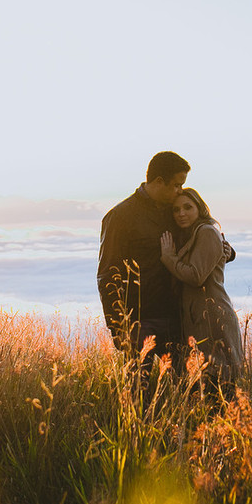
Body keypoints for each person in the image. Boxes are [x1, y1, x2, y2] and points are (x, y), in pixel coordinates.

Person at [97, 151, 191, 358]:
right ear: (159, 181)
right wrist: (118, 327)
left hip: (176, 317)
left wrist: (225, 252)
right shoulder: (121, 216)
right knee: (139, 388)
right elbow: (107, 275)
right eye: (176, 185)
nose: (180, 191)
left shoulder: (175, 211)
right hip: (138, 321)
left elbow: (200, 236)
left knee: (183, 387)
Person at [159, 187, 244, 385]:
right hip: (199, 318)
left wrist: (168, 258)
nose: (181, 213)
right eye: (176, 209)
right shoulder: (190, 235)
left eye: (187, 207)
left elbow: (196, 276)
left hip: (213, 318)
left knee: (219, 382)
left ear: (200, 208)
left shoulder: (206, 231)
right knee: (206, 383)